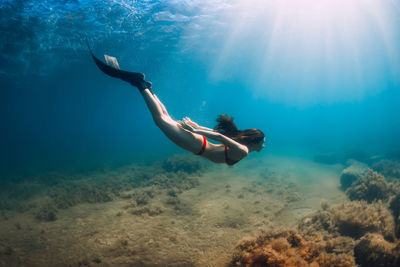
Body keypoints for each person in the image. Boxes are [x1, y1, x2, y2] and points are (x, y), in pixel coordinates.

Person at [87, 46, 265, 165]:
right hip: (197, 145)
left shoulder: (241, 145)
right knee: (160, 120)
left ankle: (146, 87)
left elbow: (218, 137)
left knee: (165, 118)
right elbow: (219, 137)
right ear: (255, 141)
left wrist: (197, 127)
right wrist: (196, 130)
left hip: (199, 142)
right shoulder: (243, 151)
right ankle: (139, 83)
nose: (263, 146)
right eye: (262, 143)